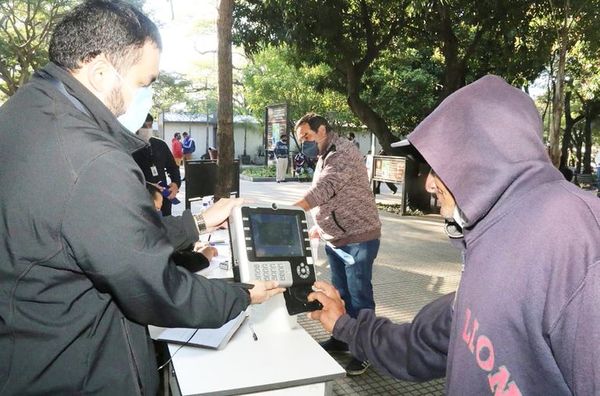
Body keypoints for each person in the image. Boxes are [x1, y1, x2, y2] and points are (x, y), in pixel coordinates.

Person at [0, 1, 284, 394]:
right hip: (76, 370)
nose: (146, 97)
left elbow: (102, 238)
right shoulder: (93, 159)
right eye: (144, 83)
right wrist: (239, 295)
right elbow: (154, 287)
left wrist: (198, 222)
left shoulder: (21, 115)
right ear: (99, 71)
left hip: (25, 352)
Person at [307, 75, 600, 394]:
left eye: (439, 167)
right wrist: (345, 326)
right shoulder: (489, 238)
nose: (429, 184)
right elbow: (420, 346)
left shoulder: (575, 235)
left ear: (482, 156)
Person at [294, 113, 381, 376]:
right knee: (339, 294)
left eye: (307, 136)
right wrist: (319, 227)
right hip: (336, 239)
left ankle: (365, 350)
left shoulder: (342, 151)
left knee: (359, 298)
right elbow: (331, 199)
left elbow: (325, 189)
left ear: (321, 129)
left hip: (358, 237)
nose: (304, 143)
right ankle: (342, 338)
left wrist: (291, 213)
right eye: (301, 139)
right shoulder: (324, 153)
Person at [133, 113, 181, 216]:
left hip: (163, 198)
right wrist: (149, 185)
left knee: (167, 226)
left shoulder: (160, 145)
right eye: (144, 127)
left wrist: (176, 183)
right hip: (141, 200)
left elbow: (173, 168)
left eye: (150, 126)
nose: (148, 130)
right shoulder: (128, 147)